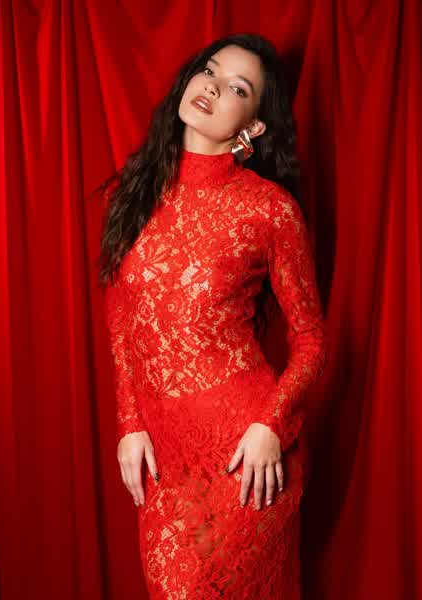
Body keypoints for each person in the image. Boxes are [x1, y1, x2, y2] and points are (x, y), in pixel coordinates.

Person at [97, 32, 328, 599]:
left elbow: (311, 340)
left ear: (254, 126)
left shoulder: (269, 209)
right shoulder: (135, 192)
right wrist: (129, 426)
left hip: (246, 456)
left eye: (238, 89)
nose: (213, 87)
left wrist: (270, 425)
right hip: (165, 456)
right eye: (210, 71)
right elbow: (121, 317)